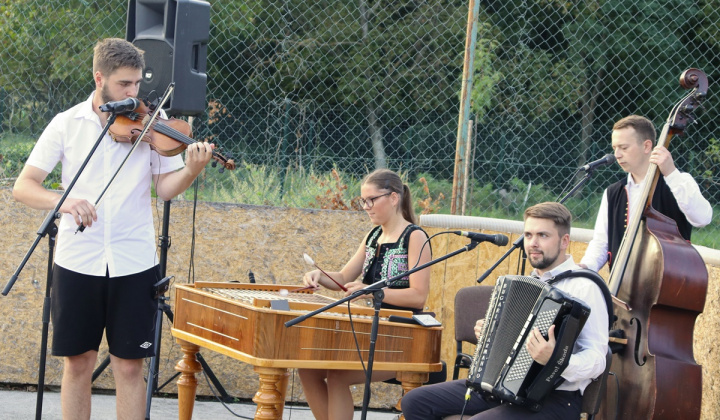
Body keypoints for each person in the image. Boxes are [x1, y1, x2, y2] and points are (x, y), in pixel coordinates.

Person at [12, 38, 214, 419]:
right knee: (77, 363)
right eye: (124, 84)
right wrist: (66, 203)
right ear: (99, 77)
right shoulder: (67, 124)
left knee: (129, 366)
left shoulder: (152, 124)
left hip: (134, 260)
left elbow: (165, 189)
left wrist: (191, 168)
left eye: (137, 84)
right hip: (77, 260)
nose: (134, 93)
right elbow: (24, 186)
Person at [402, 202, 609, 420]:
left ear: (564, 241)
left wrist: (556, 359)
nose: (533, 243)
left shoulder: (585, 287)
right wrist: (490, 334)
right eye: (528, 235)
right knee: (415, 402)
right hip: (503, 389)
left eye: (543, 235)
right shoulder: (528, 283)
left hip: (555, 399)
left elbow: (597, 359)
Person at [298, 168, 432, 420]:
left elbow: (418, 296)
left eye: (372, 200)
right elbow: (343, 277)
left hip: (401, 338)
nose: (366, 207)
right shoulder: (373, 236)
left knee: (338, 375)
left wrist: (373, 291)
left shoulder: (415, 236)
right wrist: (319, 275)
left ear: (393, 198)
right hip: (368, 333)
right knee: (307, 368)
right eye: (363, 201)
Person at [580, 114, 712, 271]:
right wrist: (584, 268)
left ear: (647, 146)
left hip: (669, 283)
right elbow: (601, 243)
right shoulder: (612, 192)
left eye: (624, 147)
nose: (617, 154)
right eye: (615, 148)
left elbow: (703, 218)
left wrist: (671, 173)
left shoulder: (679, 181)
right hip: (620, 286)